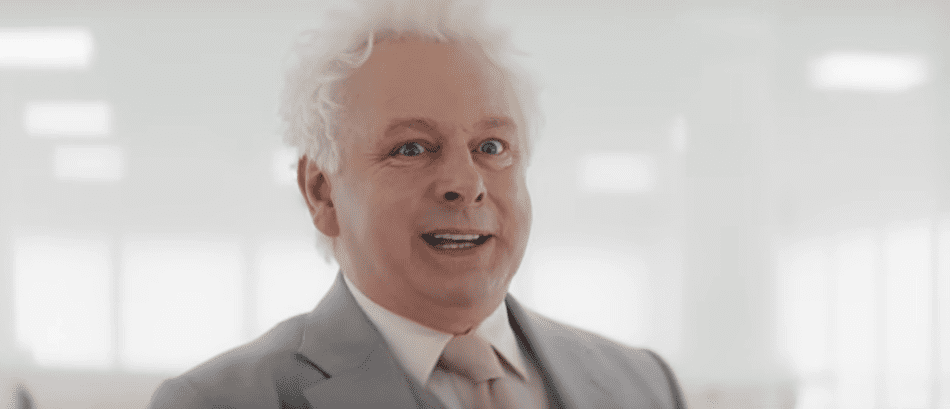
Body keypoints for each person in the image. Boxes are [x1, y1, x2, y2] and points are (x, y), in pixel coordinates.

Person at [148, 0, 686, 408]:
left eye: (491, 147)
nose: (465, 184)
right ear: (321, 191)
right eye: (412, 148)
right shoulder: (219, 401)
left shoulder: (643, 385)